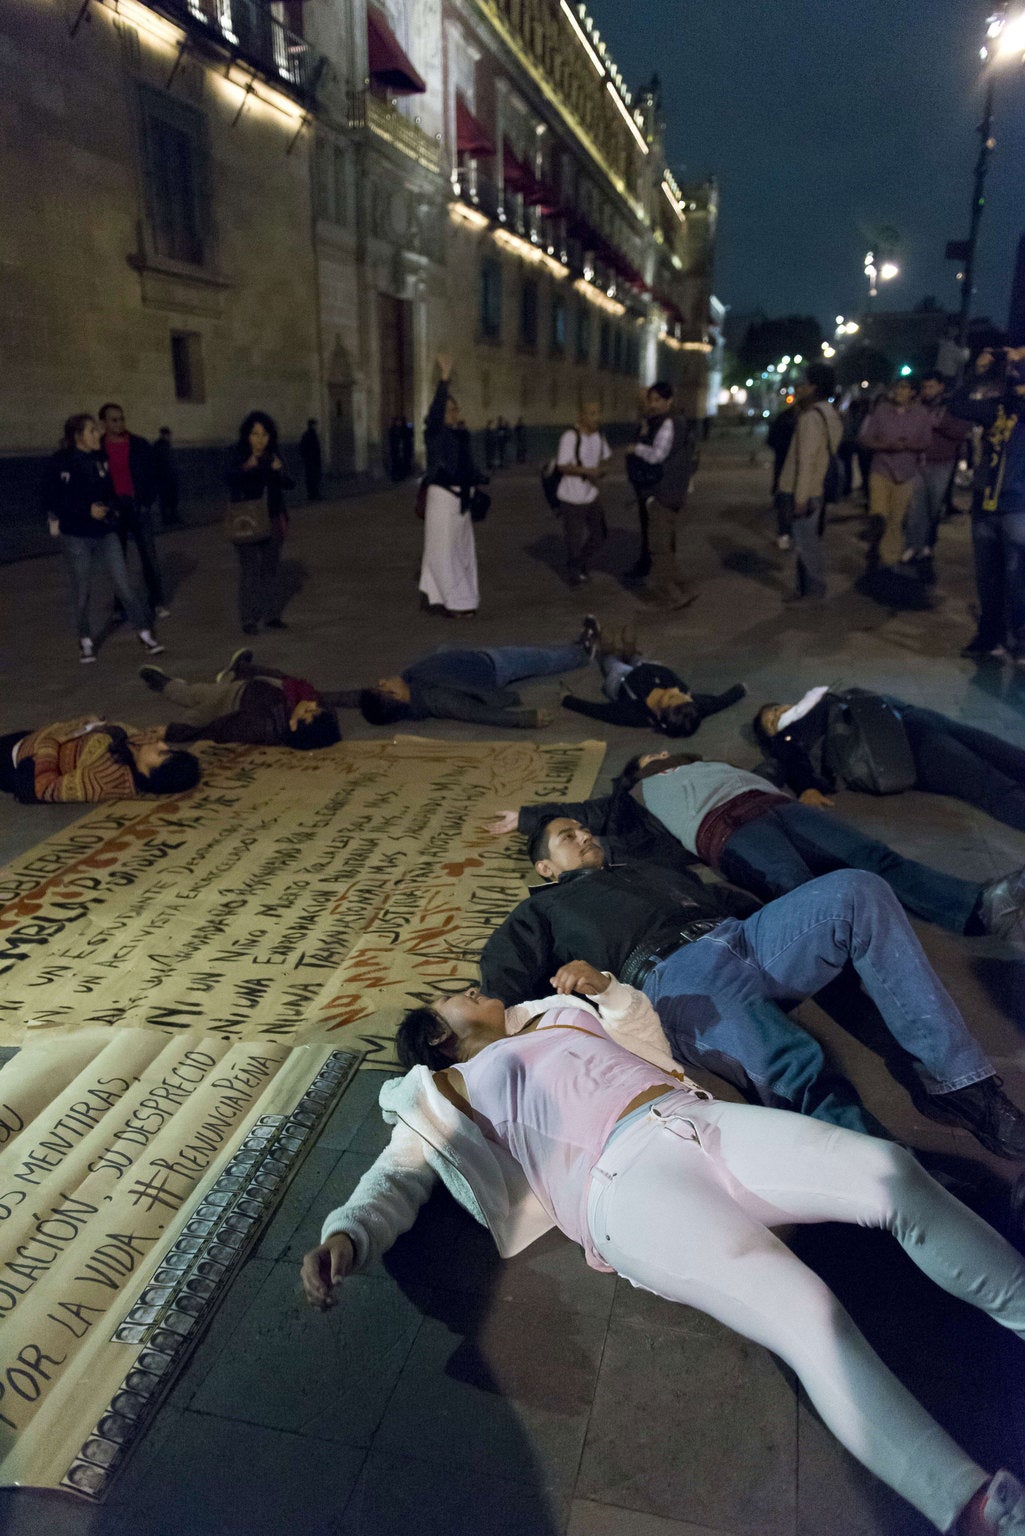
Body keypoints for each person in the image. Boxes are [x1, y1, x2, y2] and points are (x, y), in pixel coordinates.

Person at [301, 971, 1025, 1536]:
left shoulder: (556, 1012)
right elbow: (394, 1176)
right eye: (452, 1001)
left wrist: (608, 991)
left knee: (890, 1174)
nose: (468, 990)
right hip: (622, 1188)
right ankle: (967, 1506)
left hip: (697, 1121)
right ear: (438, 1041)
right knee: (804, 1314)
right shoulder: (441, 1093)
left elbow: (645, 1042)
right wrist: (348, 1234)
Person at [477, 819, 1025, 1155]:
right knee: (790, 1060)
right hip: (673, 975)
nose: (585, 835)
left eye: (584, 827)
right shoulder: (538, 911)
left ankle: (963, 1088)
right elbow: (503, 992)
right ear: (546, 867)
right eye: (567, 837)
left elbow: (732, 901)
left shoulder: (645, 868)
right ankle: (891, 1171)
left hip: (744, 936)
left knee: (857, 888)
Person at [621, 748, 1025, 947]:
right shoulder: (640, 793)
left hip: (776, 805)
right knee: (795, 883)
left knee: (871, 855)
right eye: (649, 756)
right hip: (725, 829)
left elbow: (778, 764)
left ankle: (977, 907)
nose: (659, 754)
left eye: (660, 752)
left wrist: (804, 780)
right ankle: (850, 958)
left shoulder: (705, 764)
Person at [755, 688, 1025, 832]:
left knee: (1002, 753)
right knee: (987, 782)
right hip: (906, 749)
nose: (779, 713)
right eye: (772, 720)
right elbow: (793, 764)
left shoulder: (819, 704)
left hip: (915, 720)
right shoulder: (787, 739)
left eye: (777, 708)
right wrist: (807, 788)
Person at [41, 414, 164, 664]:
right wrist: (85, 510)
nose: (99, 435)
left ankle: (144, 632)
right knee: (82, 590)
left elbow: (108, 491)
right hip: (76, 535)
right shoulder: (61, 462)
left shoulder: (101, 458)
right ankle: (85, 639)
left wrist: (114, 508)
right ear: (78, 437)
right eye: (92, 431)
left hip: (105, 531)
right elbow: (53, 499)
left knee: (124, 583)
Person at [350, 618, 600, 729]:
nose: (383, 680)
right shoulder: (435, 698)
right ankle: (582, 652)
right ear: (395, 696)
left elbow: (353, 697)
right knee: (540, 659)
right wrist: (524, 719)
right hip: (494, 667)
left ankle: (574, 649)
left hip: (464, 661)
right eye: (382, 686)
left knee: (444, 648)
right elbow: (475, 713)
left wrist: (318, 697)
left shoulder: (412, 684)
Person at [950, 347, 1025, 665]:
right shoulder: (994, 408)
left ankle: (1020, 642)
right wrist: (978, 371)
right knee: (988, 577)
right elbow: (957, 405)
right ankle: (990, 637)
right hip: (986, 504)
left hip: (1018, 505)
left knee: (1017, 577)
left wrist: (1019, 360)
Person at [139, 649, 341, 750]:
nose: (310, 706)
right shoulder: (313, 711)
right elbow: (305, 692)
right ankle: (236, 671)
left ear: (294, 724)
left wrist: (169, 732)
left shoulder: (261, 725)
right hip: (248, 685)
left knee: (192, 696)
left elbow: (219, 729)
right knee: (204, 692)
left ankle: (163, 683)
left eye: (307, 712)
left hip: (226, 702)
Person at [561, 627, 745, 736]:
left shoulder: (633, 713)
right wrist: (740, 690)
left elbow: (600, 712)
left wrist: (567, 699)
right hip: (650, 672)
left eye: (672, 698)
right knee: (647, 664)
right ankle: (631, 655)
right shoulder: (690, 707)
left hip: (623, 683)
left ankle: (607, 653)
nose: (676, 691)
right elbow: (719, 702)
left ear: (659, 713)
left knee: (617, 668)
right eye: (685, 695)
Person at [419, 354, 486, 619]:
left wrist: (478, 483)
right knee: (443, 551)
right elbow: (436, 410)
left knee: (461, 550)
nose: (454, 413)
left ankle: (456, 596)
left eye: (456, 409)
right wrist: (444, 378)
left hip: (462, 499)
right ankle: (455, 602)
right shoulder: (434, 432)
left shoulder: (459, 435)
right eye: (450, 409)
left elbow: (466, 466)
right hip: (443, 497)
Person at [0, 717, 199, 802]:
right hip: (27, 740)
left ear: (149, 772)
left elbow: (45, 787)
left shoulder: (105, 780)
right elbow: (128, 733)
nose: (162, 745)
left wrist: (51, 742)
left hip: (11, 761)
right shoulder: (135, 752)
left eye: (162, 754)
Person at [775, 362, 842, 603]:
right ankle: (805, 588)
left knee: (806, 542)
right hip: (817, 488)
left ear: (814, 387)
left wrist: (800, 497)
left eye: (802, 384)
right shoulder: (829, 413)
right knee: (808, 540)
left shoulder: (811, 418)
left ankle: (814, 589)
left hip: (805, 490)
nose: (798, 388)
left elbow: (807, 461)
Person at [626, 381, 696, 608]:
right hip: (672, 490)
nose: (653, 404)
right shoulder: (672, 422)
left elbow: (657, 455)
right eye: (651, 400)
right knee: (664, 545)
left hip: (663, 491)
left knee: (658, 547)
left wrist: (635, 448)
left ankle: (671, 596)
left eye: (658, 400)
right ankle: (685, 587)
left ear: (669, 401)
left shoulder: (668, 423)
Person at [98, 403, 168, 620]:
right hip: (114, 510)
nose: (119, 423)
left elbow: (153, 474)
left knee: (149, 557)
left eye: (121, 419)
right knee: (118, 561)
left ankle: (156, 601)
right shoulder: (98, 448)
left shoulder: (138, 444)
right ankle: (121, 606)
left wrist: (147, 501)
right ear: (104, 423)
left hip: (138, 507)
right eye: (113, 420)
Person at [227, 411, 293, 636]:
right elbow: (229, 478)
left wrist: (279, 470)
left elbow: (289, 483)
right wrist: (248, 466)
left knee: (270, 570)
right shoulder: (238, 455)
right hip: (246, 520)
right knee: (250, 571)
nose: (260, 439)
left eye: (264, 434)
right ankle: (248, 618)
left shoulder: (273, 456)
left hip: (272, 520)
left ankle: (271, 615)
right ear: (247, 436)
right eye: (255, 434)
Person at [857, 377, 933, 571]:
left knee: (896, 519)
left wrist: (907, 446)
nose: (899, 392)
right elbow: (866, 439)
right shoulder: (881, 411)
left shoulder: (921, 414)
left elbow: (926, 441)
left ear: (912, 392)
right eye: (897, 387)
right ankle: (877, 547)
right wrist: (885, 446)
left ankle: (889, 560)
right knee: (879, 514)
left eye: (904, 388)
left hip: (906, 472)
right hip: (881, 469)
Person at [903, 373, 970, 579]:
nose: (927, 391)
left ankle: (928, 544)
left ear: (940, 387)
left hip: (941, 462)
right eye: (924, 387)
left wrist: (940, 424)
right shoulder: (918, 405)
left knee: (933, 506)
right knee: (916, 507)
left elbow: (962, 431)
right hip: (919, 461)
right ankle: (913, 545)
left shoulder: (952, 406)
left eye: (931, 386)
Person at [553, 402, 611, 586]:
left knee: (600, 534)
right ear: (581, 417)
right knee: (574, 539)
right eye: (592, 413)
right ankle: (573, 574)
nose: (597, 417)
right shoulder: (570, 437)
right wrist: (589, 471)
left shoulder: (599, 436)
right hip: (571, 496)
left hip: (591, 494)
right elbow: (562, 466)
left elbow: (606, 457)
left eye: (598, 413)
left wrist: (603, 469)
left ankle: (582, 562)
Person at [765, 400, 797, 549]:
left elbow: (771, 440)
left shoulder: (783, 418)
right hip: (793, 464)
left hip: (783, 462)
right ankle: (788, 533)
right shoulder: (804, 420)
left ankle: (785, 535)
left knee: (784, 498)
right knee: (788, 499)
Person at [151, 427, 182, 527]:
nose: (170, 437)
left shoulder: (164, 446)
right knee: (166, 499)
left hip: (169, 477)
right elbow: (157, 463)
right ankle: (167, 519)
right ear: (164, 435)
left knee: (172, 498)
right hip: (164, 478)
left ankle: (172, 517)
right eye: (168, 435)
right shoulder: (159, 446)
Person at [299, 418, 323, 501]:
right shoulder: (312, 435)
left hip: (309, 460)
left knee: (311, 478)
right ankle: (314, 494)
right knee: (314, 478)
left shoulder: (307, 435)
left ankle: (312, 494)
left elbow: (302, 447)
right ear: (312, 425)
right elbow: (314, 449)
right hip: (313, 460)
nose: (316, 426)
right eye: (315, 425)